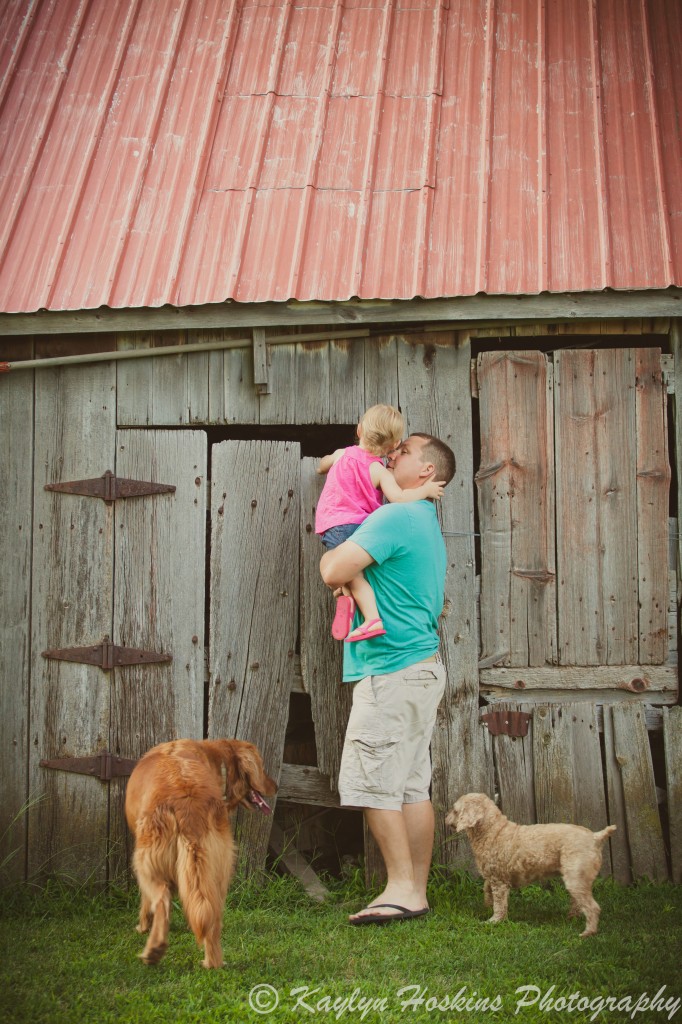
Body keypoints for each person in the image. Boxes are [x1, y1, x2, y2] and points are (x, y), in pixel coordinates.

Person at [319, 432, 456, 925]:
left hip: (393, 669)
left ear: (426, 472)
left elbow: (335, 567)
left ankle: (401, 890)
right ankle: (414, 890)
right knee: (411, 786)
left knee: (374, 781)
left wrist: (326, 561)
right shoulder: (423, 519)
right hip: (420, 668)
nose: (392, 453)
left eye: (405, 451)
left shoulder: (395, 515)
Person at [316, 405, 444, 642]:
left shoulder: (342, 455)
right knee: (355, 575)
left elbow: (322, 464)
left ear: (360, 429)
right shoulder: (378, 469)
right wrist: (425, 489)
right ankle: (361, 608)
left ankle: (360, 607)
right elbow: (398, 497)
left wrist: (324, 465)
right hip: (359, 525)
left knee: (347, 572)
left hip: (333, 525)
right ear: (393, 445)